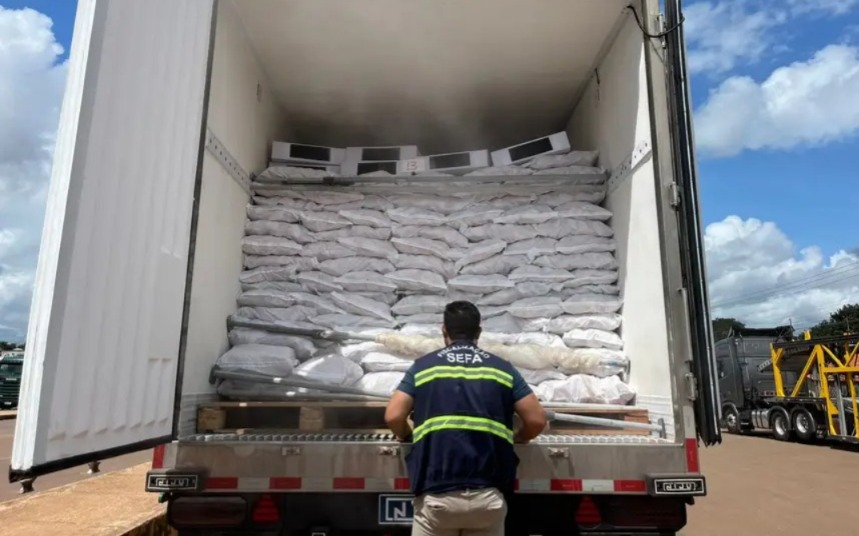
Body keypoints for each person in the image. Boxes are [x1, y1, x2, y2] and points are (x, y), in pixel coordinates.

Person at [385, 301, 548, 536]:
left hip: (437, 497)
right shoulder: (502, 369)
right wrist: (519, 438)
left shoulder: (423, 367)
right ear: (479, 332)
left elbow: (393, 415)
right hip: (488, 498)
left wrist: (407, 435)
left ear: (444, 331)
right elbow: (536, 420)